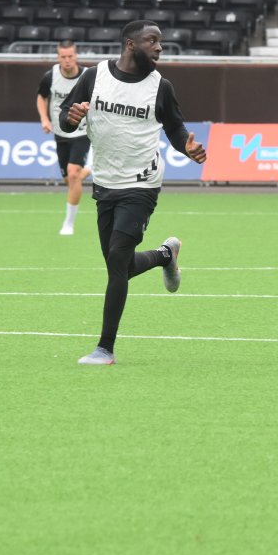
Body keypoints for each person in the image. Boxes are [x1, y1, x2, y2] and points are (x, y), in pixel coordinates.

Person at [59, 20, 206, 366]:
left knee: (116, 260)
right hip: (106, 182)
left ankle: (105, 349)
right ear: (130, 44)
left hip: (142, 183)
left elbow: (175, 128)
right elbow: (66, 117)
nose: (159, 47)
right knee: (120, 266)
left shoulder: (161, 87)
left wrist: (187, 147)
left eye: (160, 42)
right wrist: (73, 117)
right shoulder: (94, 77)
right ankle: (165, 255)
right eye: (152, 41)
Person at [36, 40, 92, 235]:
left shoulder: (88, 76)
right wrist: (44, 119)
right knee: (70, 181)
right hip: (61, 133)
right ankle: (89, 170)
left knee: (73, 174)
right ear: (58, 57)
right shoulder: (50, 76)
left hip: (82, 132)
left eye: (70, 56)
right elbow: (42, 97)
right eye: (63, 57)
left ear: (76, 56)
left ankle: (68, 224)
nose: (67, 60)